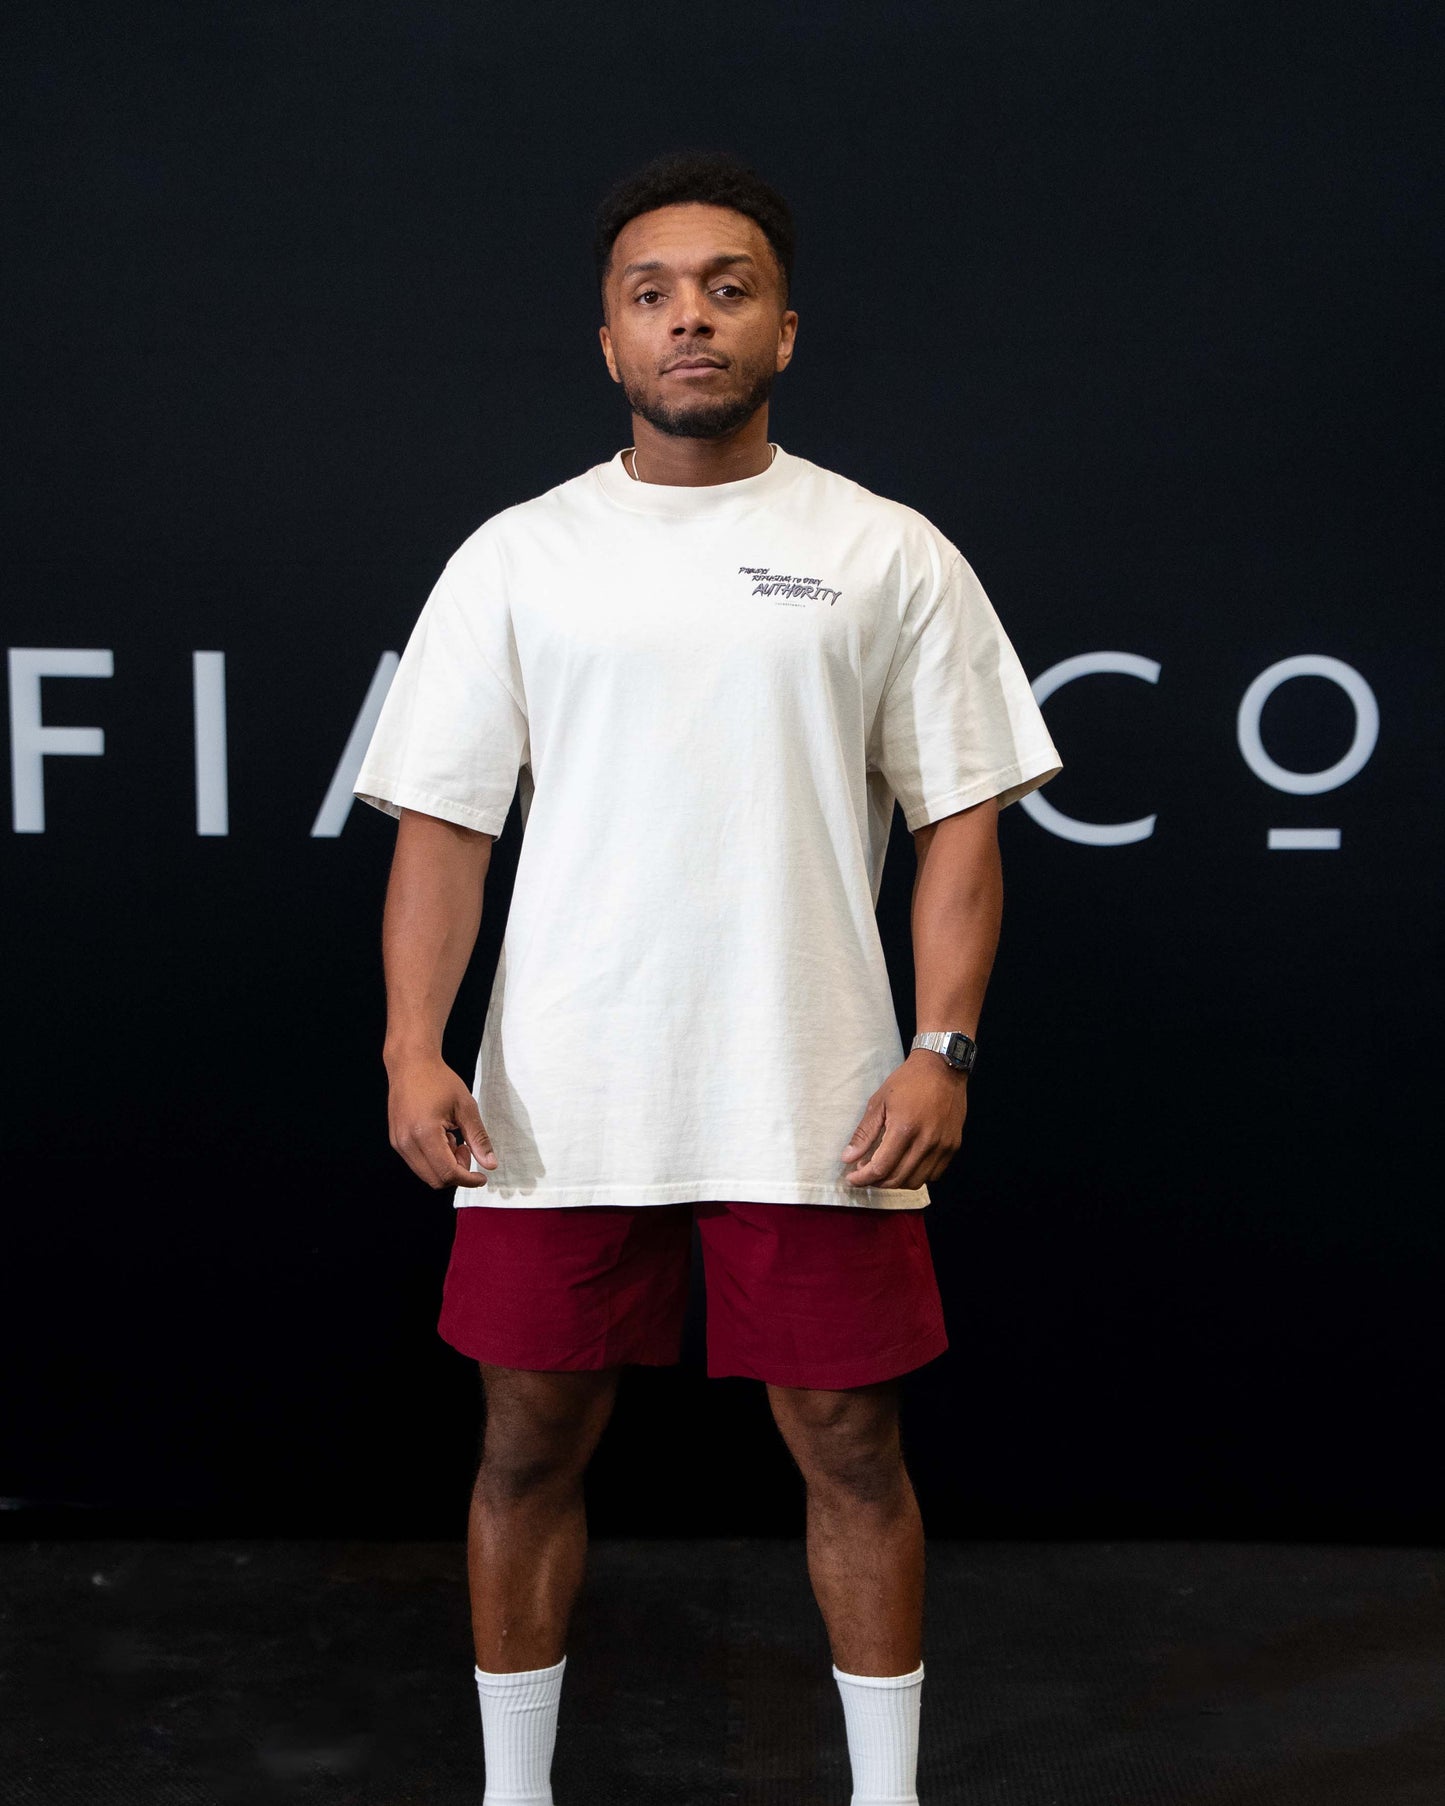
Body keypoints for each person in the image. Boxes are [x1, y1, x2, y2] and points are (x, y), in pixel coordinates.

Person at [354, 148, 1062, 1806]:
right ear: (607, 337)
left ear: (782, 332)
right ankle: (512, 1794)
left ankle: (883, 1798)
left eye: (726, 290)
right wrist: (410, 1046)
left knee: (852, 1447)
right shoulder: (516, 555)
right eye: (653, 293)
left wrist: (943, 1046)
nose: (691, 319)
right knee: (524, 1443)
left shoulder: (884, 549)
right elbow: (444, 830)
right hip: (560, 1092)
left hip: (813, 1087)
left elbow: (961, 823)